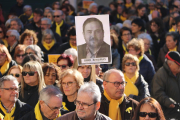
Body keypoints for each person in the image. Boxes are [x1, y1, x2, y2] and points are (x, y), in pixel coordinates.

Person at [152, 51, 180, 119]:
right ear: (170, 64)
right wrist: (169, 102)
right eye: (178, 66)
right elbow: (157, 93)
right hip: (167, 114)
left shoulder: (178, 73)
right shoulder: (160, 75)